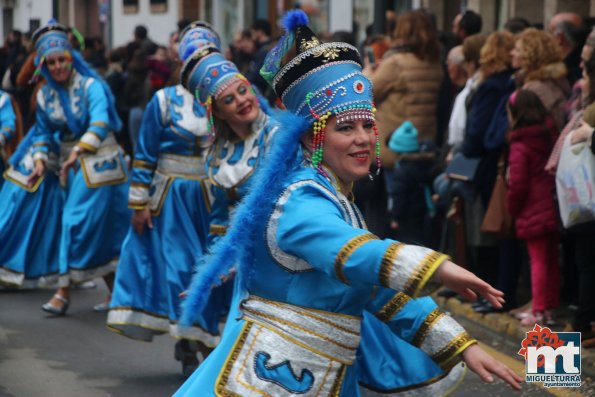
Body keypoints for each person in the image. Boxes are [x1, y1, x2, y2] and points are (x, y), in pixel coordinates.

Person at [174, 11, 522, 396]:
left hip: (324, 376)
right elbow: (350, 253)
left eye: (367, 125)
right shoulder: (300, 198)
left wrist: (463, 346)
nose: (362, 139)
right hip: (270, 381)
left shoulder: (333, 194)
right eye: (345, 128)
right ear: (310, 139)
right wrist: (436, 268)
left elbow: (377, 288)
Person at [107, 21, 230, 377]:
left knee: (212, 272)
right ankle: (195, 343)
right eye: (193, 59)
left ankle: (198, 339)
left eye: (208, 58)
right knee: (181, 270)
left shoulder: (226, 101)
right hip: (172, 201)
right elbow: (144, 156)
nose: (200, 67)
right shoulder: (162, 102)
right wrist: (139, 203)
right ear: (182, 63)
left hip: (214, 199)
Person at [26, 20, 129, 315]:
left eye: (62, 60)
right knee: (101, 231)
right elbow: (43, 135)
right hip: (72, 168)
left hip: (102, 161)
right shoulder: (44, 96)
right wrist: (38, 162)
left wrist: (79, 151)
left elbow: (101, 121)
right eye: (52, 62)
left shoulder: (91, 85)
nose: (58, 66)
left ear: (71, 59)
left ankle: (62, 291)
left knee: (74, 223)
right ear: (43, 64)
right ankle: (114, 294)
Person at [506, 89, 560, 326]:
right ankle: (549, 307)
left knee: (537, 260)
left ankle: (538, 309)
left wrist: (512, 207)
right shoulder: (548, 135)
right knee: (550, 259)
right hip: (552, 203)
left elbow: (517, 183)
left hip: (532, 207)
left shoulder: (520, 145)